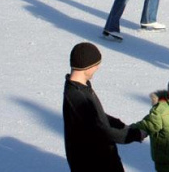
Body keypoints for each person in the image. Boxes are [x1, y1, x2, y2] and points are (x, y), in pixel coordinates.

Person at [62, 42, 145, 171]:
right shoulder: (78, 96)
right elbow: (103, 130)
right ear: (87, 66)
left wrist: (116, 122)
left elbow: (94, 116)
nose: (98, 67)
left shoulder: (78, 88)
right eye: (96, 64)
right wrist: (134, 134)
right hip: (95, 162)